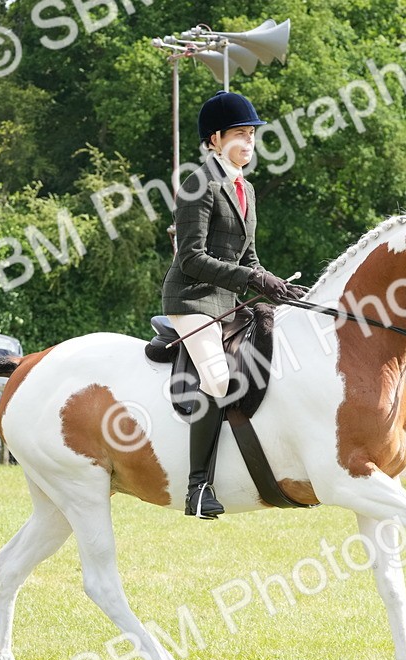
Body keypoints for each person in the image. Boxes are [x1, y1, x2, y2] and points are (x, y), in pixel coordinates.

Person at [161, 91, 306, 520]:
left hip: (227, 301)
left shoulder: (247, 189)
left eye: (252, 136)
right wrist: (252, 278)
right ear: (215, 139)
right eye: (241, 135)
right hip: (191, 299)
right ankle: (197, 487)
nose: (249, 143)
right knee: (219, 379)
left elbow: (249, 258)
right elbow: (191, 258)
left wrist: (276, 286)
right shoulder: (198, 183)